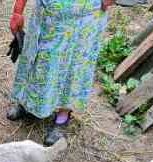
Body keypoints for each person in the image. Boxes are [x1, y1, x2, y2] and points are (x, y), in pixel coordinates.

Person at [7, 0, 116, 145]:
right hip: (46, 13)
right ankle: (28, 102)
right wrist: (18, 11)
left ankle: (62, 116)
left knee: (74, 66)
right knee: (39, 59)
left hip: (85, 17)